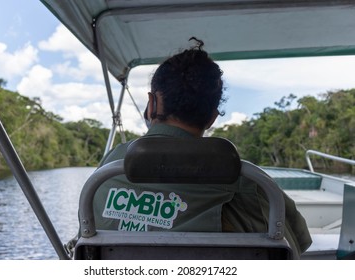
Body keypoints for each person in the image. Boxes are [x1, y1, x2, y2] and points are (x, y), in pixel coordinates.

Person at [93, 39, 312, 258]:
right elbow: (292, 248)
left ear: (152, 104)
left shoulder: (110, 168)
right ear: (212, 117)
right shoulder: (247, 181)